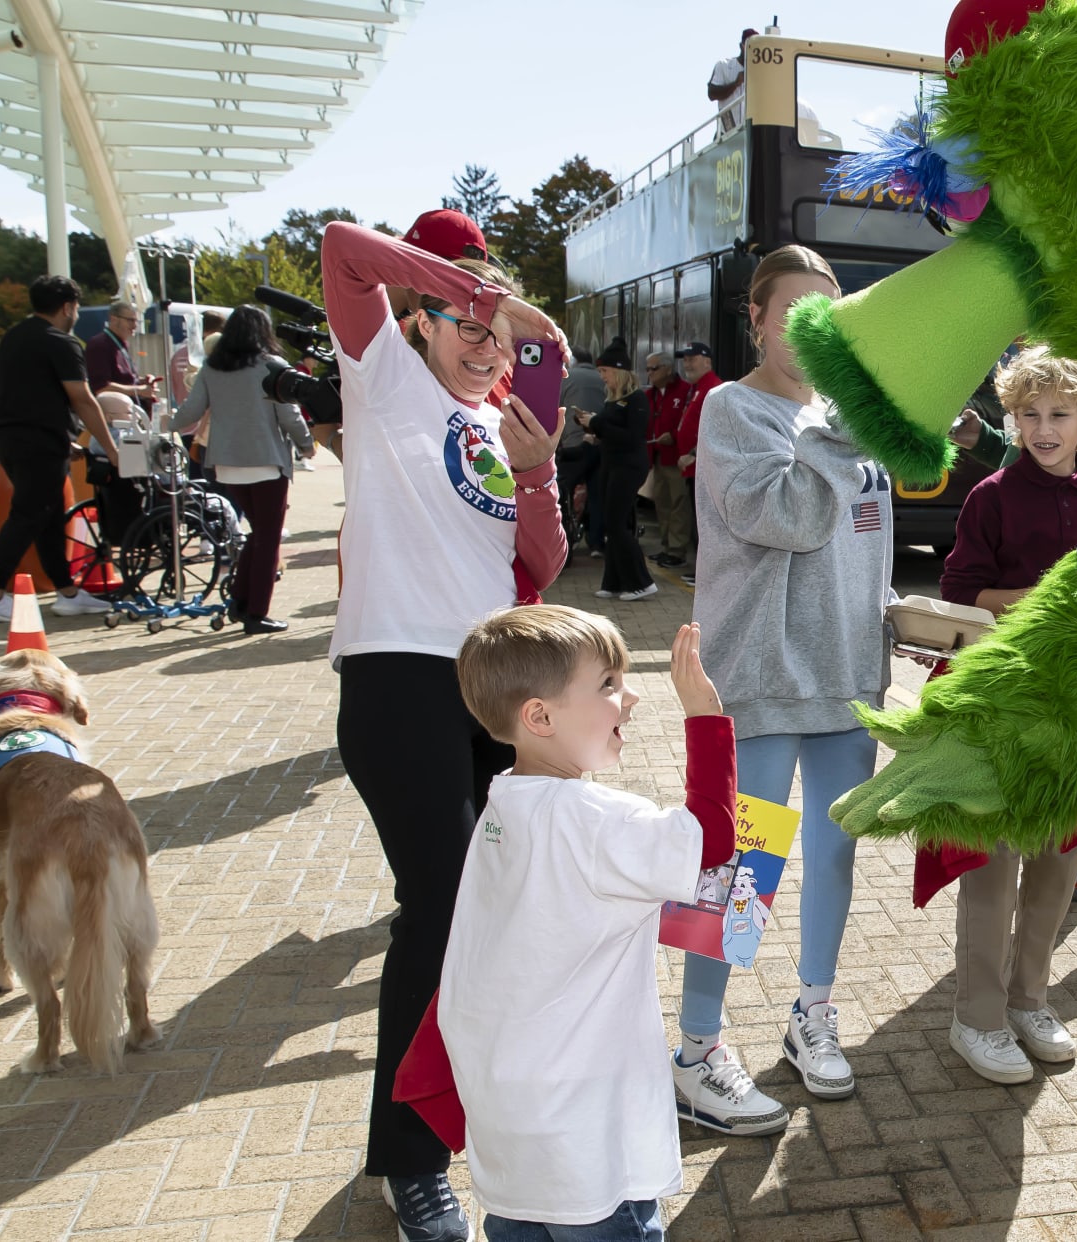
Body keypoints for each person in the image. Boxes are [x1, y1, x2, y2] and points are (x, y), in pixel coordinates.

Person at [320, 219, 568, 1242]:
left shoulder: (503, 424)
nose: (485, 346)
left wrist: (542, 477)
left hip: (491, 686)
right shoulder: (383, 376)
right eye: (467, 325)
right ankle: (410, 1162)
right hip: (396, 676)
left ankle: (465, 1115)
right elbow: (339, 245)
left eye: (500, 337)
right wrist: (482, 291)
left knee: (487, 910)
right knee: (440, 910)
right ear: (422, 323)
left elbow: (538, 575)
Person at [675, 244, 890, 1126]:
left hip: (847, 682)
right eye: (788, 312)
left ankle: (814, 1015)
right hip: (760, 682)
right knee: (742, 870)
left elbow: (861, 538)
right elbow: (790, 519)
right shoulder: (731, 408)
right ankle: (696, 1048)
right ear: (755, 320)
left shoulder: (846, 415)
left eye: (824, 317)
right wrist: (854, 425)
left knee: (836, 857)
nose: (806, 330)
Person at [443, 609, 737, 1242]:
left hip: (509, 1118)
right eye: (608, 682)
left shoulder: (502, 804)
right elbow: (711, 839)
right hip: (586, 1134)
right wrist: (705, 716)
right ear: (540, 717)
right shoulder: (596, 818)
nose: (628, 697)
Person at [936, 347, 1077, 1082]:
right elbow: (960, 591)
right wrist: (1050, 596)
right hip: (1006, 704)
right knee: (993, 864)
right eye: (1028, 414)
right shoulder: (991, 496)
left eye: (1058, 415)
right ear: (1010, 419)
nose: (1042, 428)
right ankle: (975, 1015)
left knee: (1058, 862)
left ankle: (1029, 1000)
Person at [167, 304, 315, 634]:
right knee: (268, 539)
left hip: (225, 463)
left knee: (258, 536)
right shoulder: (272, 366)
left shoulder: (212, 368)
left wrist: (167, 424)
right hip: (265, 462)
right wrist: (306, 445)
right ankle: (255, 613)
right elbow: (289, 415)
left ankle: (239, 601)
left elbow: (190, 410)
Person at [0, 275, 122, 620]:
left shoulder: (13, 338)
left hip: (12, 439)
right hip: (39, 444)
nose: (78, 315)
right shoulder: (61, 343)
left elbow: (25, 395)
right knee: (28, 515)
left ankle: (67, 592)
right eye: (77, 308)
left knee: (48, 517)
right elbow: (82, 399)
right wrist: (111, 449)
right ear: (68, 306)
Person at [585, 344, 655, 601]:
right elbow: (611, 432)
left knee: (616, 525)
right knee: (612, 524)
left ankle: (641, 582)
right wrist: (594, 429)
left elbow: (633, 436)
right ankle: (614, 582)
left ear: (619, 371)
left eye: (605, 371)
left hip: (628, 466)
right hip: (611, 464)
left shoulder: (637, 399)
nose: (602, 376)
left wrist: (596, 423)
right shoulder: (612, 399)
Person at [670, 342, 722, 585]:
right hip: (692, 467)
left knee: (704, 525)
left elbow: (716, 430)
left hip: (703, 467)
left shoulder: (713, 387)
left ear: (707, 361)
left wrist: (692, 453)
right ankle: (701, 571)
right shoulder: (697, 388)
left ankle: (707, 575)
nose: (687, 363)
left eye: (692, 358)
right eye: (685, 359)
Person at [558, 348, 609, 557]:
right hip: (601, 444)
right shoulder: (603, 378)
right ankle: (596, 543)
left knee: (563, 492)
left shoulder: (566, 377)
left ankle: (564, 542)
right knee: (597, 495)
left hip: (574, 446)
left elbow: (555, 407)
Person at [645, 353, 691, 568]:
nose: (649, 373)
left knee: (678, 504)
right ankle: (666, 546)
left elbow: (686, 421)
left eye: (653, 368)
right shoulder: (650, 395)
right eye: (647, 369)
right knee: (662, 502)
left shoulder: (684, 391)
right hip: (658, 457)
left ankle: (677, 549)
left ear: (667, 369)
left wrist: (672, 435)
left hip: (675, 457)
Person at [84, 300, 157, 410]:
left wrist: (141, 381)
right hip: (114, 417)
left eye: (136, 321)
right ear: (113, 319)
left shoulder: (121, 343)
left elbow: (121, 379)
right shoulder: (99, 345)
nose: (134, 326)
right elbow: (101, 388)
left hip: (129, 413)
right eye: (130, 321)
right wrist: (139, 390)